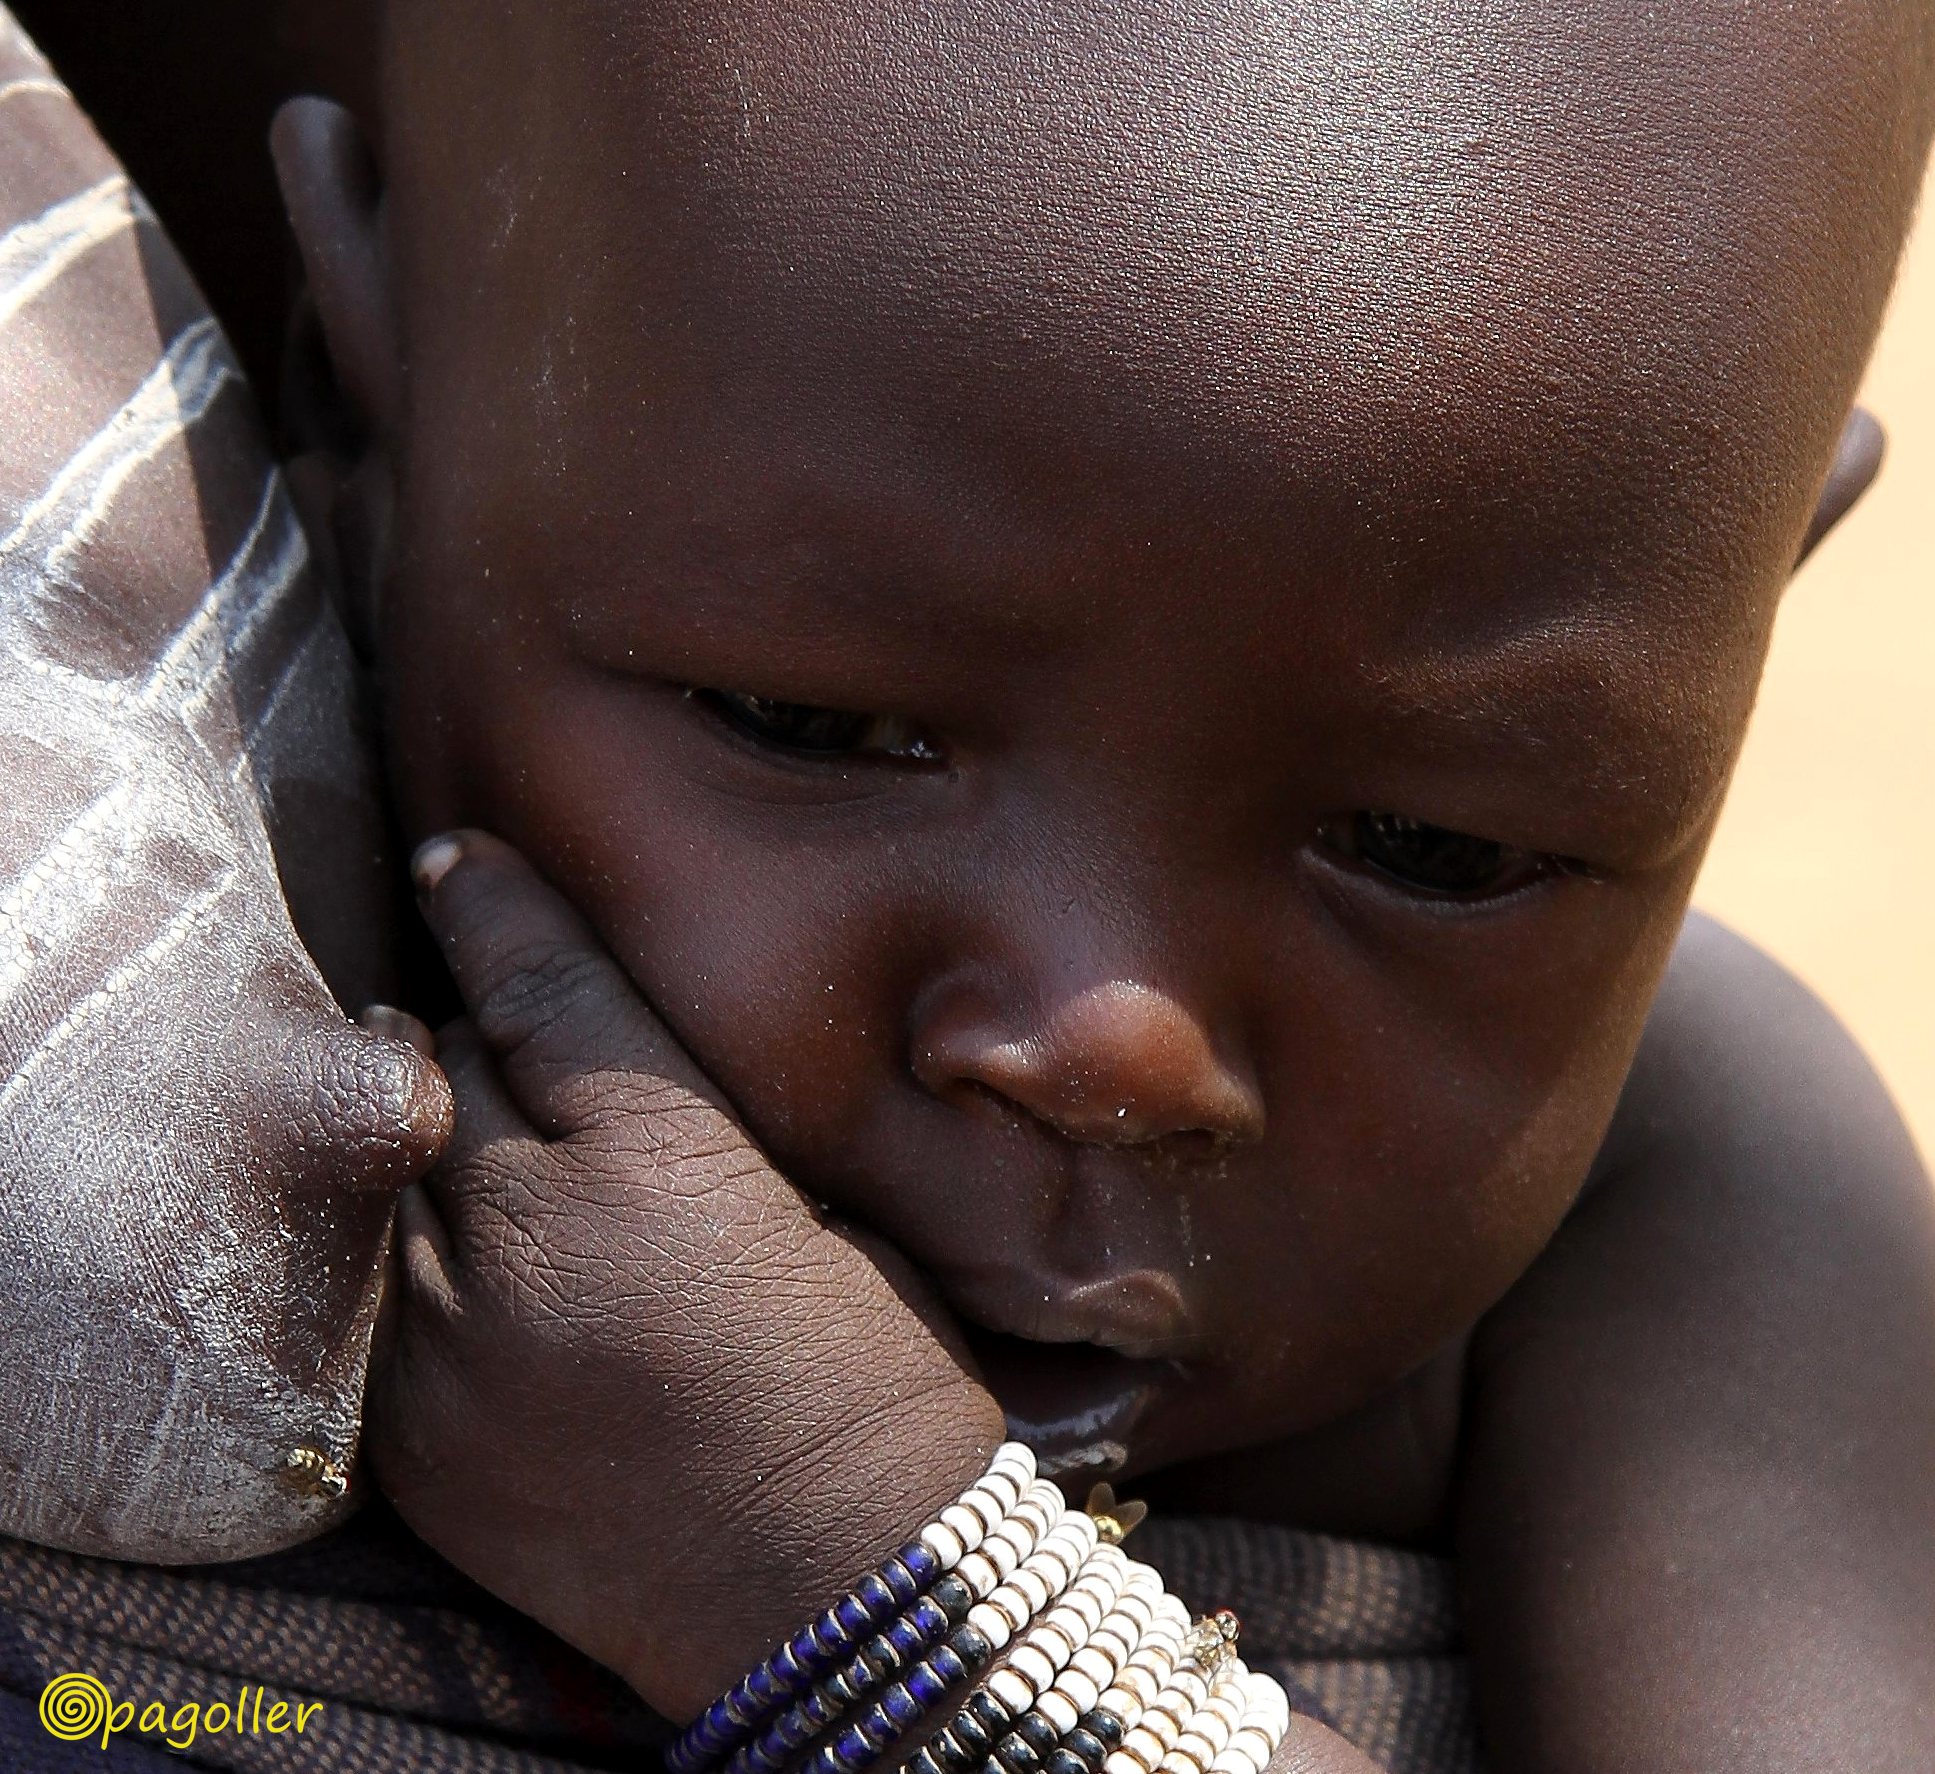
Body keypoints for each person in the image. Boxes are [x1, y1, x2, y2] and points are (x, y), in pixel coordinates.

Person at [4, 0, 1934, 1769]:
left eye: (1440, 850)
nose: (1110, 1042)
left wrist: (866, 1579)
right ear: (366, 373)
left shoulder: (1696, 1179)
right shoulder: (126, 903)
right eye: (808, 723)